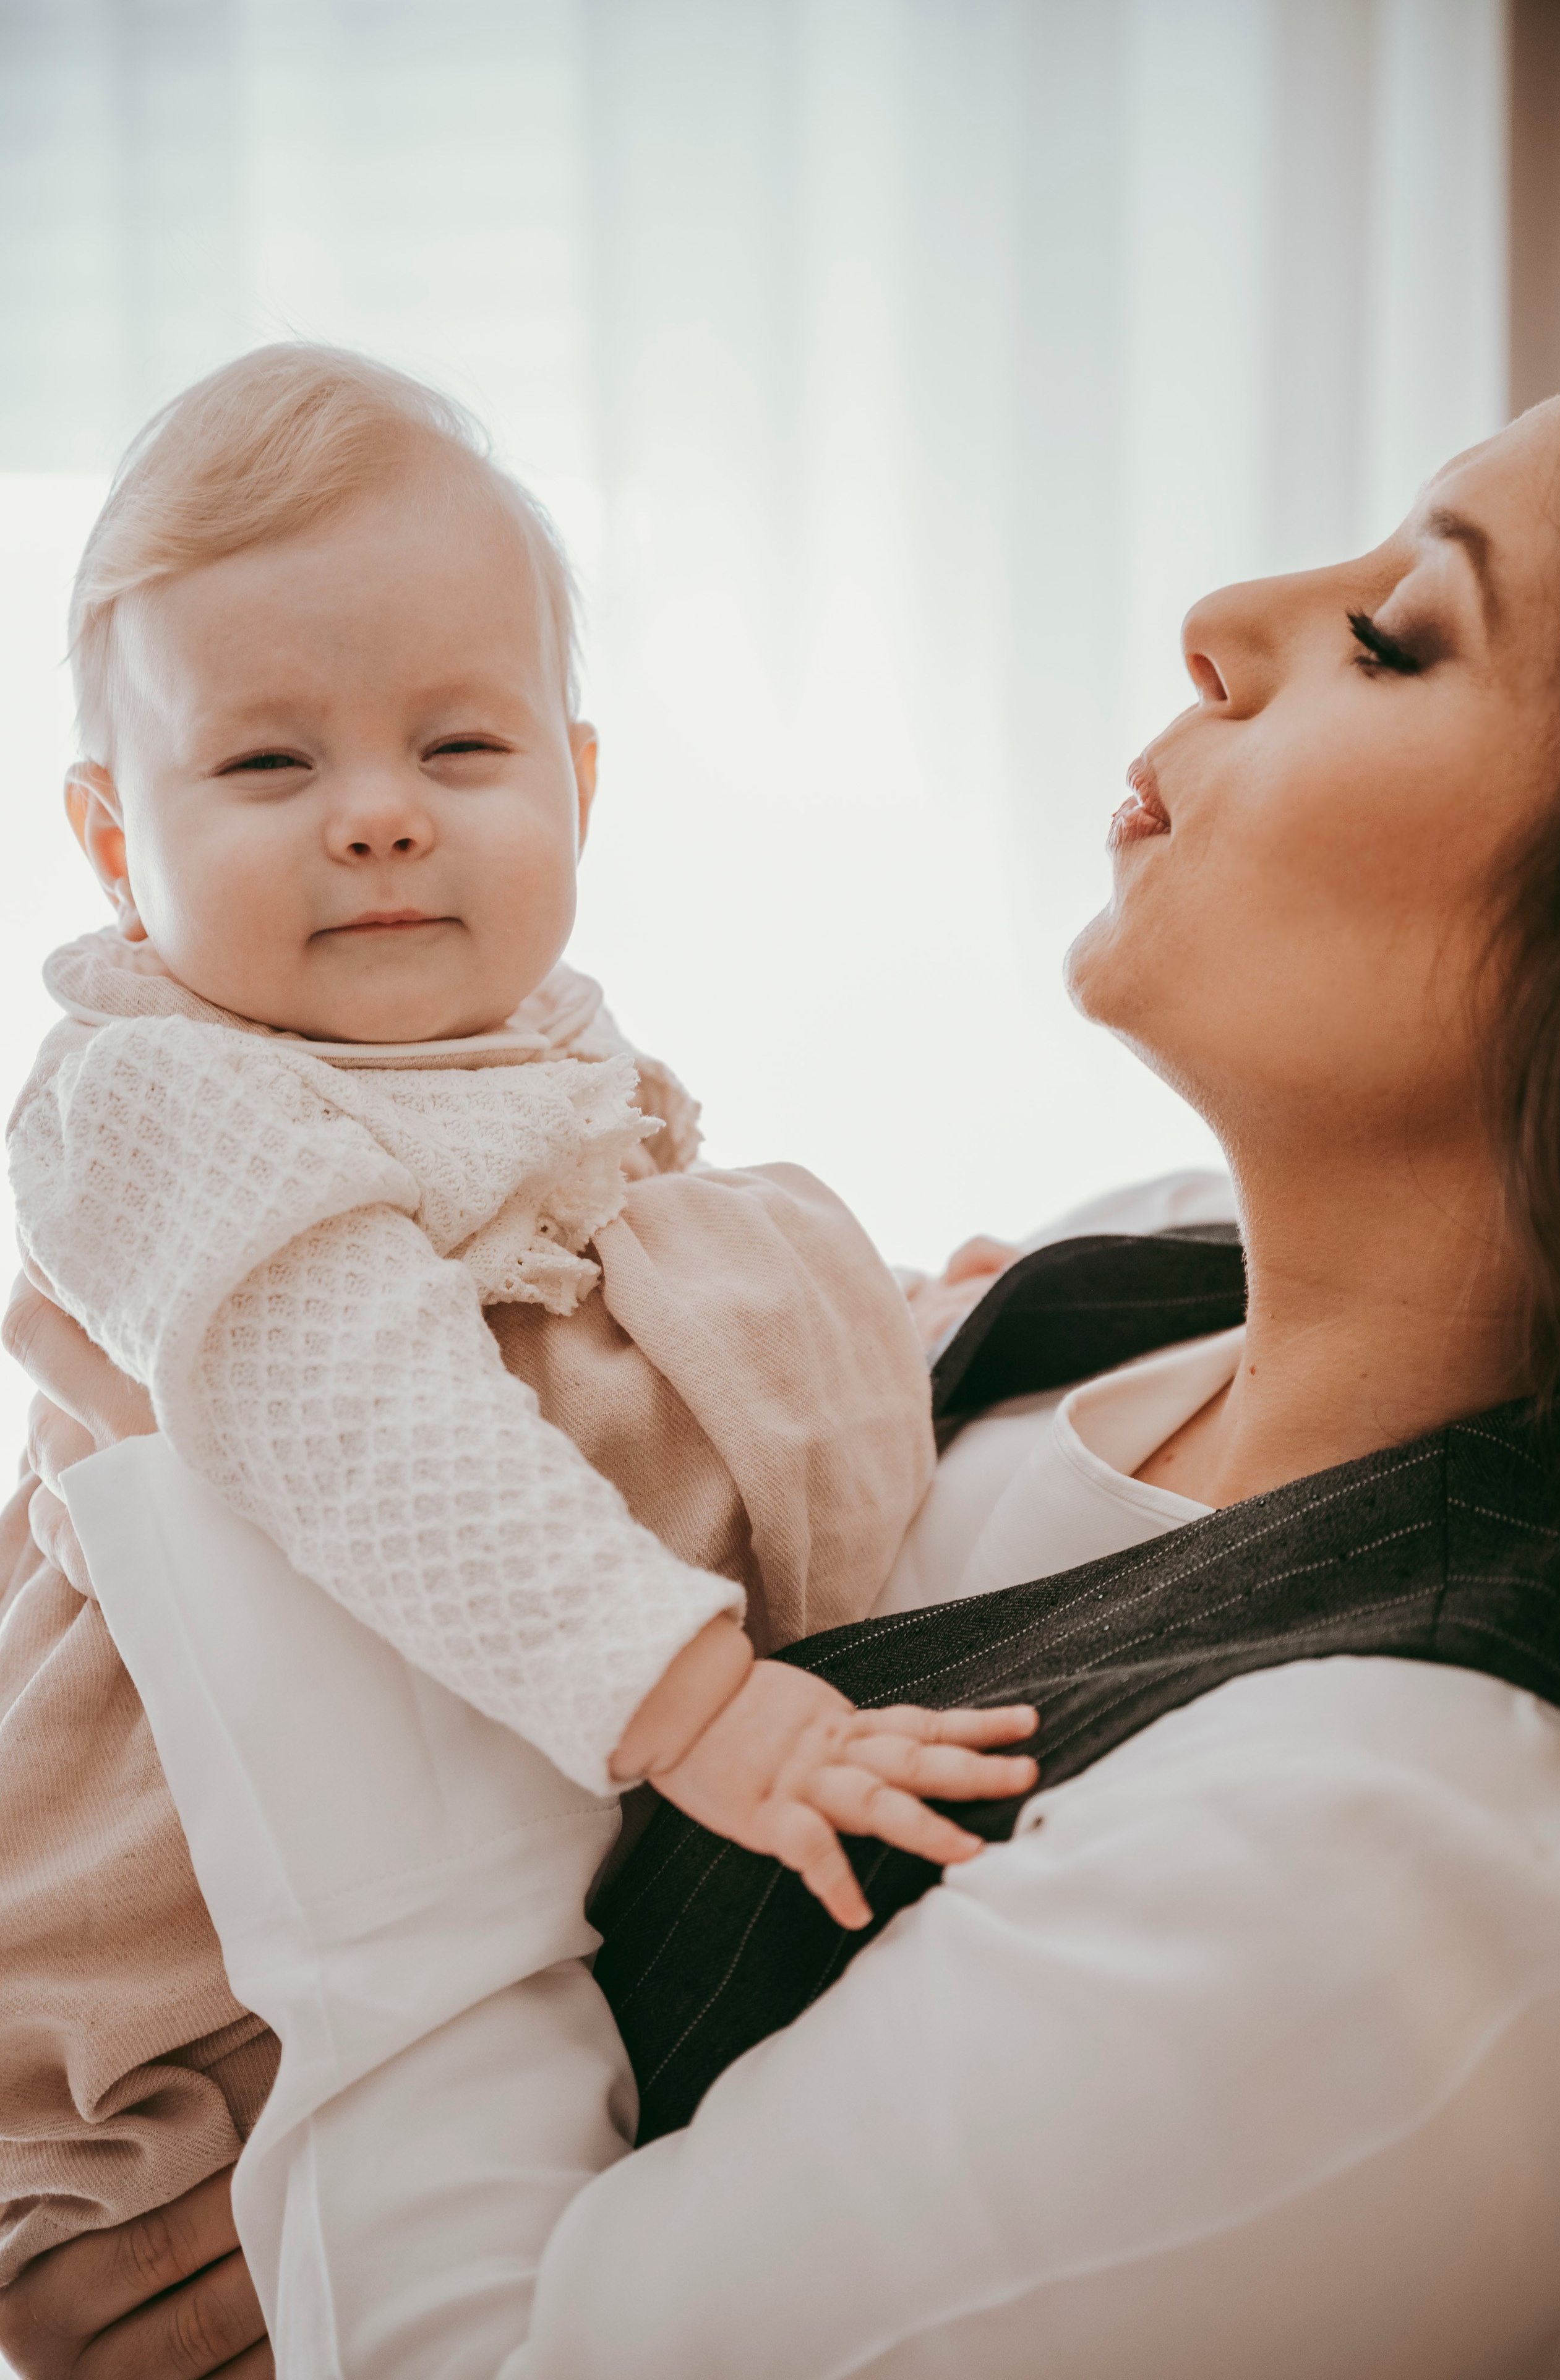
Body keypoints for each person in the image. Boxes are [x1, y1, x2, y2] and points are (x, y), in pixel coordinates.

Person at [11, 385, 1560, 2375]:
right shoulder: (1143, 1280)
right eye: (262, 756)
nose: (1227, 606)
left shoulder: (1401, 1842)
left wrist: (223, 1523)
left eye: (1401, 634)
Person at [0, 343, 1039, 2292]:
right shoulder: (157, 1097)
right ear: (116, 842)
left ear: (575, 780)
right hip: (186, 1934)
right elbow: (378, 1420)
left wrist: (892, 1318)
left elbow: (630, 1328)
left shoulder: (543, 1053)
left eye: (459, 750)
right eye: (268, 761)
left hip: (487, 1807)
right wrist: (698, 1704)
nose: (379, 816)